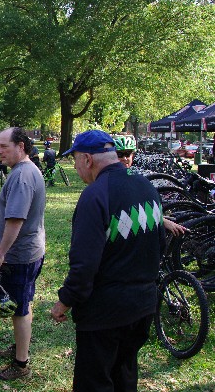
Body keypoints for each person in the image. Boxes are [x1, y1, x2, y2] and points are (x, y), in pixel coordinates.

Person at [50, 130, 165, 391]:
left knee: (95, 382)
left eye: (75, 160)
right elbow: (160, 245)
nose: (76, 166)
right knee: (125, 375)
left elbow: (84, 264)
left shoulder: (95, 195)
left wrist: (65, 301)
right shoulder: (147, 187)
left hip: (105, 313)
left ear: (88, 159)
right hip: (143, 306)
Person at [0, 127, 46, 380]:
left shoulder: (22, 176)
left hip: (20, 256)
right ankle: (19, 347)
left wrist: (0, 255)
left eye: (4, 146)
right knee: (23, 303)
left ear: (21, 146)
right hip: (30, 251)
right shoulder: (26, 169)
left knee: (20, 308)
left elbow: (15, 220)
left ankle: (21, 364)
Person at [112, 135, 186, 236]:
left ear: (132, 156)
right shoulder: (107, 181)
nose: (124, 158)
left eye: (127, 154)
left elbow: (143, 207)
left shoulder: (137, 180)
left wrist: (163, 221)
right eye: (120, 154)